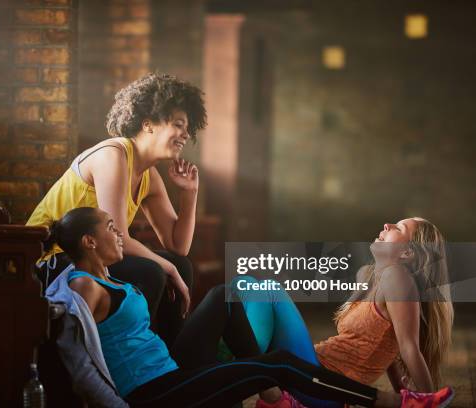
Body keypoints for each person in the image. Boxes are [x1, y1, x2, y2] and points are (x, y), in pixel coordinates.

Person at [49, 207, 454, 408]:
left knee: (232, 293)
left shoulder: (112, 279)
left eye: (397, 229)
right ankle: (380, 403)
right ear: (88, 242)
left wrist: (419, 390)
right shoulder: (83, 286)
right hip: (152, 392)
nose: (120, 232)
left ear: (409, 253)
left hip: (169, 372)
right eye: (110, 228)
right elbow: (79, 361)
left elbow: (403, 348)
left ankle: (274, 388)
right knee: (267, 345)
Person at [27, 73, 207, 346]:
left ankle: (171, 361)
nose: (185, 134)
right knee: (154, 271)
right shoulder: (114, 155)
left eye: (188, 128)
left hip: (91, 257)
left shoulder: (149, 176)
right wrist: (167, 267)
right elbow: (118, 235)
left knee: (181, 265)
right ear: (148, 124)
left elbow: (178, 246)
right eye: (178, 125)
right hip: (52, 260)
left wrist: (189, 193)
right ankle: (131, 356)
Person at [238, 218, 453, 408]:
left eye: (398, 228)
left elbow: (408, 347)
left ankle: (261, 388)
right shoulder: (370, 277)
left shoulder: (397, 277)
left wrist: (428, 399)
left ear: (407, 252)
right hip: (310, 371)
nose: (387, 225)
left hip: (322, 386)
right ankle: (267, 391)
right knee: (245, 283)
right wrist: (401, 392)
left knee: (268, 289)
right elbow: (387, 347)